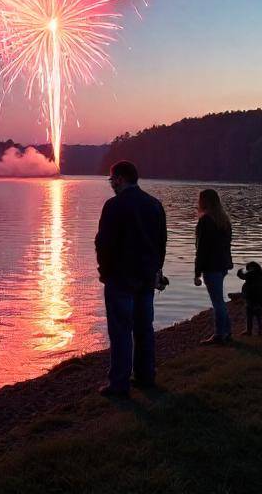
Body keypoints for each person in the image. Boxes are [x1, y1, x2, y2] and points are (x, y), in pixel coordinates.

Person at [95, 161, 167, 398]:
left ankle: (119, 383)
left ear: (120, 179)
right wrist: (157, 271)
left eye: (112, 180)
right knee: (144, 328)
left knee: (120, 330)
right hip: (146, 277)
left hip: (120, 277)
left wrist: (104, 271)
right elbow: (161, 243)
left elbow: (103, 243)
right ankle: (146, 376)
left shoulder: (114, 206)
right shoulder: (154, 205)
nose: (111, 184)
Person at [193, 189, 233, 344]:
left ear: (204, 202)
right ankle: (227, 332)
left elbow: (202, 249)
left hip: (212, 266)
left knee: (217, 302)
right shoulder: (224, 220)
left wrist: (197, 272)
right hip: (222, 265)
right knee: (219, 300)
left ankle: (219, 334)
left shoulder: (205, 221)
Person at [236, 262, 262, 335]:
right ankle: (259, 331)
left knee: (249, 316)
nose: (248, 270)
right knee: (258, 316)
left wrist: (239, 272)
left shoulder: (250, 274)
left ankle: (249, 330)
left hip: (250, 299)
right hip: (260, 299)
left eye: (248, 268)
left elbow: (241, 276)